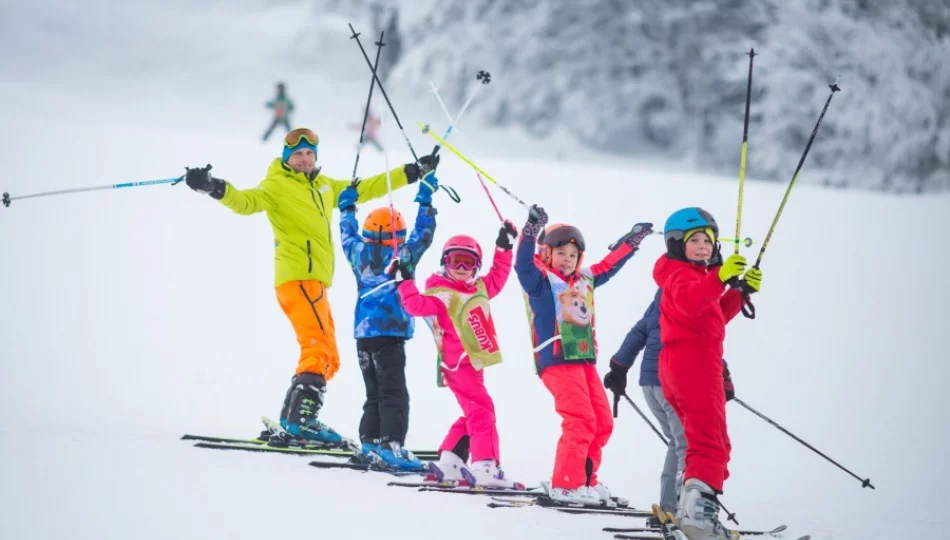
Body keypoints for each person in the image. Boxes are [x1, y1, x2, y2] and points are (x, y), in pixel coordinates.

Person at [182, 127, 439, 446]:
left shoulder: (323, 185)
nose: (304, 159)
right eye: (298, 155)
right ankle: (303, 421)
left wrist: (412, 172)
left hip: (313, 281)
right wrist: (212, 186)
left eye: (309, 154)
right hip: (297, 276)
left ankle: (293, 417)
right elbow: (246, 202)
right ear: (287, 158)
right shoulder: (276, 185)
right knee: (318, 347)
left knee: (328, 353)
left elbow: (369, 187)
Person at [513, 204, 653, 506]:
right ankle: (566, 484)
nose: (567, 260)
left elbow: (609, 265)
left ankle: (585, 480)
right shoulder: (539, 281)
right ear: (547, 253)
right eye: (560, 253)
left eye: (573, 255)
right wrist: (530, 230)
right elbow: (523, 263)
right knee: (580, 420)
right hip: (556, 359)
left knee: (601, 421)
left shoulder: (584, 280)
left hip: (583, 360)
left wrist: (632, 242)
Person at [651, 207, 761, 540]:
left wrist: (740, 292)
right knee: (710, 442)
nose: (703, 247)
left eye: (708, 241)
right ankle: (698, 519)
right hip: (693, 367)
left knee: (701, 440)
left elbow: (709, 318)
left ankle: (690, 510)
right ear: (675, 244)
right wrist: (720, 278)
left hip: (686, 364)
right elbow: (690, 301)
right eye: (694, 240)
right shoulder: (682, 276)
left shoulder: (696, 276)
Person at [389, 221, 519, 488]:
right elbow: (415, 305)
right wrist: (404, 281)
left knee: (474, 411)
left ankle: (452, 460)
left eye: (468, 263)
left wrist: (504, 247)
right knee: (483, 412)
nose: (460, 269)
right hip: (458, 363)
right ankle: (486, 465)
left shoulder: (479, 288)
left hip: (473, 363)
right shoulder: (441, 293)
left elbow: (498, 276)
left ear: (476, 267)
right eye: (455, 261)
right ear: (444, 262)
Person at [604, 288, 737, 526]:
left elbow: (639, 331)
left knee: (679, 443)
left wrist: (619, 366)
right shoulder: (692, 301)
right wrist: (721, 372)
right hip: (673, 381)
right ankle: (686, 511)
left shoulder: (662, 299)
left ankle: (671, 506)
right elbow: (698, 340)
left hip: (650, 386)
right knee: (689, 443)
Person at [337, 171, 439, 470]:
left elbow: (347, 233)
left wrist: (347, 208)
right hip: (390, 336)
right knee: (394, 392)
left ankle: (370, 442)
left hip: (364, 336)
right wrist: (425, 200)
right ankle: (391, 446)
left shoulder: (357, 252)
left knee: (374, 393)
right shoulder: (403, 253)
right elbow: (424, 235)